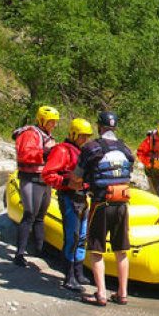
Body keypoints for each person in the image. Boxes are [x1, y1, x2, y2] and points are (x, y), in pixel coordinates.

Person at [71, 111, 135, 307]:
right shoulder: (125, 149)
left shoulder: (92, 148)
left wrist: (75, 184)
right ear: (115, 128)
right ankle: (122, 293)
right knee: (122, 250)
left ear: (99, 127)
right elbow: (128, 170)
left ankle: (101, 294)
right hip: (122, 204)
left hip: (101, 204)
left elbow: (76, 177)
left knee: (96, 250)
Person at [43, 118, 94, 291]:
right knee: (72, 237)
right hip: (68, 197)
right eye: (82, 136)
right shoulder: (62, 150)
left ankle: (79, 272)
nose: (85, 140)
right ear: (73, 134)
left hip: (82, 198)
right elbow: (48, 174)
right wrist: (66, 182)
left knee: (82, 237)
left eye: (87, 137)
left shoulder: (83, 151)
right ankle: (69, 276)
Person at [12, 105, 59, 266]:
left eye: (55, 122)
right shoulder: (30, 133)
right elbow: (26, 154)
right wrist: (46, 153)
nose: (54, 125)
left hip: (44, 180)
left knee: (40, 216)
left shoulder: (48, 136)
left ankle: (40, 249)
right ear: (42, 120)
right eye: (51, 121)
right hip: (31, 179)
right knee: (29, 214)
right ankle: (19, 254)